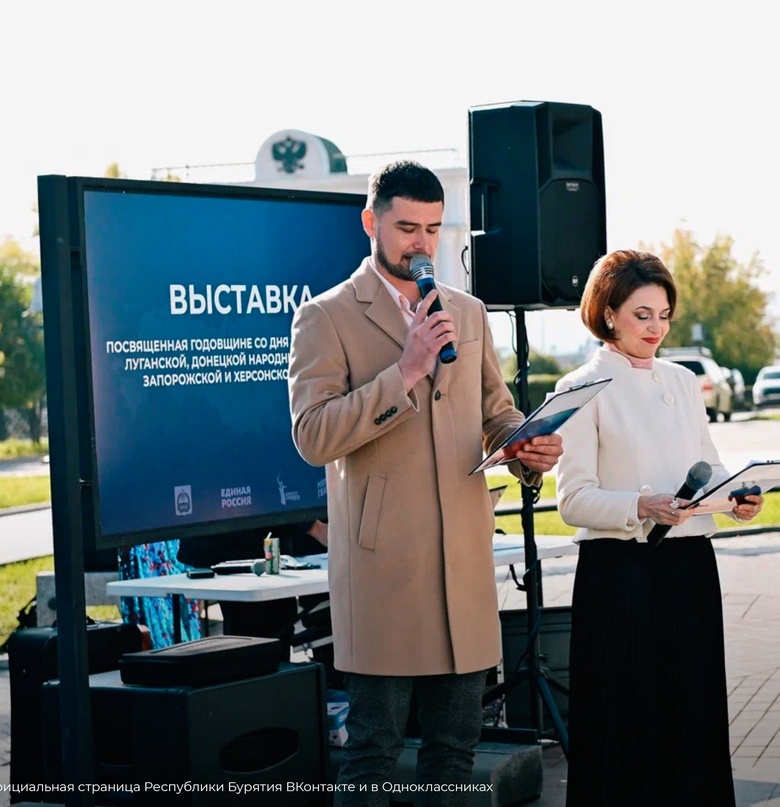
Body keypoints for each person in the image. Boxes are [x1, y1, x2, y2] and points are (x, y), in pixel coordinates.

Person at [287, 159, 562, 807]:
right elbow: (312, 436)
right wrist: (404, 371)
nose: (421, 242)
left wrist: (527, 446)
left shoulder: (466, 312)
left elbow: (496, 413)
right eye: (407, 226)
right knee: (374, 750)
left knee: (455, 748)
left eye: (433, 229)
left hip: (464, 566)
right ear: (370, 222)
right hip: (385, 572)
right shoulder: (324, 317)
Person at [553, 249, 763, 807]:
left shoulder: (682, 379)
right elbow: (572, 500)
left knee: (692, 712)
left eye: (664, 315)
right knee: (628, 721)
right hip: (621, 575)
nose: (657, 328)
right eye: (643, 314)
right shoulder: (579, 387)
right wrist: (641, 505)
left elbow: (710, 464)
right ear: (609, 313)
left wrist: (736, 494)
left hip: (688, 567)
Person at [175, 518, 330, 664]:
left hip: (243, 543)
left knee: (274, 623)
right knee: (258, 630)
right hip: (232, 545)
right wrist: (314, 527)